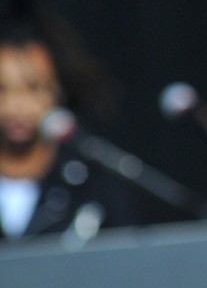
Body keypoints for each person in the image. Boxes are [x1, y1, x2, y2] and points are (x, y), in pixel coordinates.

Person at [0, 14, 140, 240]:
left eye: (33, 88)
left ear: (58, 90)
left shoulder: (93, 185)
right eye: (2, 89)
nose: (15, 107)